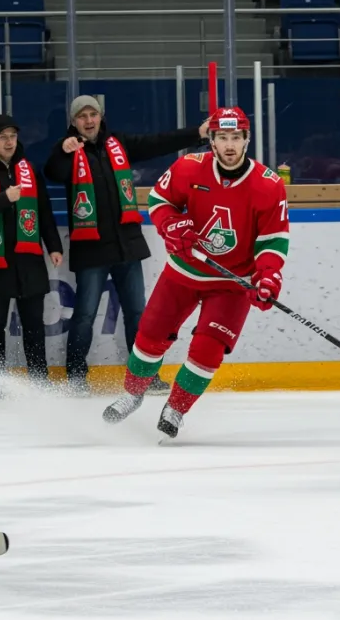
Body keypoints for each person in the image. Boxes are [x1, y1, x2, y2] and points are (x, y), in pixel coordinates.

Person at [101, 108, 289, 439]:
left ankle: (176, 408)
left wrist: (268, 276)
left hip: (231, 283)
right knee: (150, 336)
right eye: (222, 137)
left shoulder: (269, 185)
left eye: (235, 137)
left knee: (208, 349)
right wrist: (172, 225)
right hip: (182, 272)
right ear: (211, 141)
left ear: (246, 140)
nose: (229, 145)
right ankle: (132, 394)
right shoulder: (188, 167)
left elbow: (273, 240)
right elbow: (160, 200)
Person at [44, 95, 209, 391]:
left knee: (138, 314)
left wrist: (196, 133)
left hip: (127, 246)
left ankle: (144, 375)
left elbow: (156, 142)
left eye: (93, 114)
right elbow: (52, 171)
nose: (89, 121)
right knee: (84, 316)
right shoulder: (69, 150)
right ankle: (76, 377)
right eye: (82, 116)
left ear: (101, 116)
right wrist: (63, 150)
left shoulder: (118, 143)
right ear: (73, 122)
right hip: (92, 250)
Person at [0, 114, 64, 385]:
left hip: (29, 260)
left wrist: (54, 246)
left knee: (34, 324)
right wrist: (3, 199)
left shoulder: (30, 169)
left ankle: (40, 381)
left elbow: (44, 211)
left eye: (13, 136)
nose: (9, 142)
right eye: (3, 137)